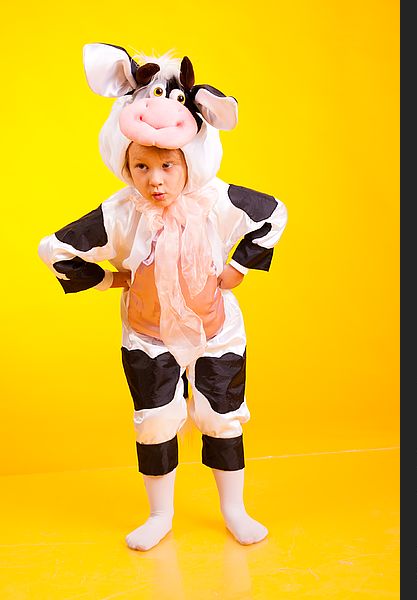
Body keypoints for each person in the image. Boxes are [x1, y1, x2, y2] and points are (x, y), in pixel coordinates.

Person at [38, 45, 287, 551]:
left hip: (215, 333)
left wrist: (239, 267)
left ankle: (234, 510)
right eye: (142, 166)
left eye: (168, 165)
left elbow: (273, 213)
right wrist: (110, 280)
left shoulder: (216, 201)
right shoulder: (120, 212)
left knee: (221, 419)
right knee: (155, 424)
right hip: (148, 338)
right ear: (124, 163)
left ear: (189, 160)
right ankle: (159, 515)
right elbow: (55, 248)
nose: (155, 179)